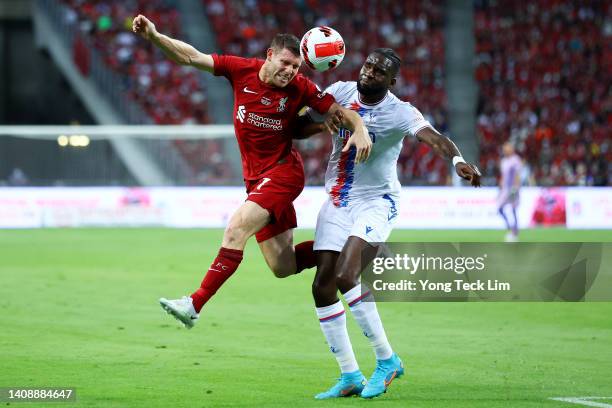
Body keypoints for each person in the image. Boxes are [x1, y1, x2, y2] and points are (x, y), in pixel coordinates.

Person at [132, 15, 372, 328]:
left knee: (235, 229)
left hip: (284, 173)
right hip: (257, 179)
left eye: (296, 67)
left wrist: (361, 129)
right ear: (269, 55)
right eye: (285, 63)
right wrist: (154, 35)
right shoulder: (240, 69)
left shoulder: (301, 88)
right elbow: (190, 56)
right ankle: (353, 249)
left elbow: (342, 113)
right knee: (283, 265)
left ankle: (194, 304)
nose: (290, 71)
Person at [299, 48, 481, 399]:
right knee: (322, 286)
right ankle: (349, 374)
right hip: (338, 201)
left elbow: (434, 137)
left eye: (379, 72)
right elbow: (299, 126)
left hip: (377, 202)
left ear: (391, 81)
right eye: (368, 66)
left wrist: (457, 159)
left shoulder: (399, 111)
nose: (369, 73)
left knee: (346, 275)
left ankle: (387, 360)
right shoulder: (339, 92)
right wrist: (323, 122)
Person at [497, 142, 522, 242]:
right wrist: (500, 186)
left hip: (512, 188)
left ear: (511, 149)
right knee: (499, 209)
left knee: (513, 209)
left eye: (507, 148)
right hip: (505, 189)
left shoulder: (515, 160)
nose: (505, 150)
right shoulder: (503, 161)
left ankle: (515, 232)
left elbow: (517, 174)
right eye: (504, 149)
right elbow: (503, 175)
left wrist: (515, 187)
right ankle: (510, 227)